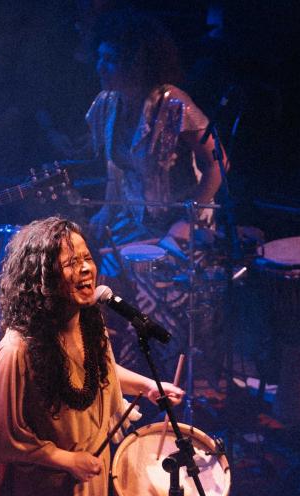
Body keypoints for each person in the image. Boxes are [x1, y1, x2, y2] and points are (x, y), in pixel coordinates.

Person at [0, 217, 184, 496]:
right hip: (44, 491)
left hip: (89, 478)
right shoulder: (18, 348)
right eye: (70, 263)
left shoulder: (90, 324)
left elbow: (98, 370)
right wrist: (63, 459)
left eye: (87, 259)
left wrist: (148, 385)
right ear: (43, 278)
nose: (85, 270)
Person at [83, 10, 227, 372]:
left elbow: (219, 164)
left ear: (137, 64)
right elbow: (115, 172)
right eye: (99, 57)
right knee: (89, 269)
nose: (101, 67)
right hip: (134, 221)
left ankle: (153, 370)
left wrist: (189, 217)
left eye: (111, 60)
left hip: (179, 224)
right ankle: (112, 372)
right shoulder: (109, 104)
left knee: (127, 273)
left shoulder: (171, 103)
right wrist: (103, 214)